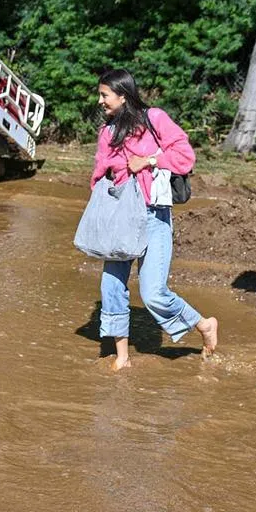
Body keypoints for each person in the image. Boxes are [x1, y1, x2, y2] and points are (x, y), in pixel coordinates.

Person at [89, 69, 219, 370]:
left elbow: (185, 157)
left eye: (104, 95)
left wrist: (148, 161)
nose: (100, 101)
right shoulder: (106, 133)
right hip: (120, 218)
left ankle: (203, 325)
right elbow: (98, 175)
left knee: (153, 293)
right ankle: (122, 357)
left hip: (154, 216)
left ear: (123, 95)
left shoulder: (155, 119)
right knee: (111, 286)